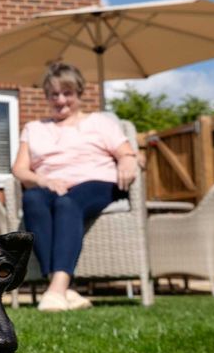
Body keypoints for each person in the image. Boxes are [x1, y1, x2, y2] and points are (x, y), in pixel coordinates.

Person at [11, 62, 140, 311]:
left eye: (67, 93)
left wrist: (128, 159)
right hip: (51, 184)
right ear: (47, 97)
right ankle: (62, 290)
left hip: (97, 183)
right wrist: (42, 180)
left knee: (67, 202)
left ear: (79, 93)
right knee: (32, 200)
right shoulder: (34, 129)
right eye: (54, 94)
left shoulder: (100, 123)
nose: (60, 100)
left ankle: (56, 289)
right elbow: (20, 169)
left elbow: (126, 152)